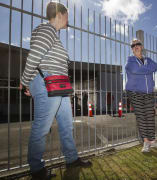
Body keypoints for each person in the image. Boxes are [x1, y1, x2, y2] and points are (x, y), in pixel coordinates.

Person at [19, 2, 91, 179]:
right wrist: (25, 81)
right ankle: (37, 170)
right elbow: (34, 56)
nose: (68, 19)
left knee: (67, 126)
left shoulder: (54, 35)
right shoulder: (47, 29)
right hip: (46, 83)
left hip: (59, 86)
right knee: (41, 128)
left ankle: (72, 158)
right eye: (67, 15)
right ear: (60, 14)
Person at [125, 38, 157, 152]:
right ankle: (146, 142)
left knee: (149, 116)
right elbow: (135, 70)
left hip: (148, 92)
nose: (136, 46)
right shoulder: (130, 61)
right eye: (133, 45)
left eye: (138, 44)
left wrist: (143, 69)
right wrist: (148, 70)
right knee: (141, 117)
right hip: (134, 92)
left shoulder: (148, 59)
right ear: (132, 49)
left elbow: (156, 67)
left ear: (141, 47)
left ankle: (152, 141)